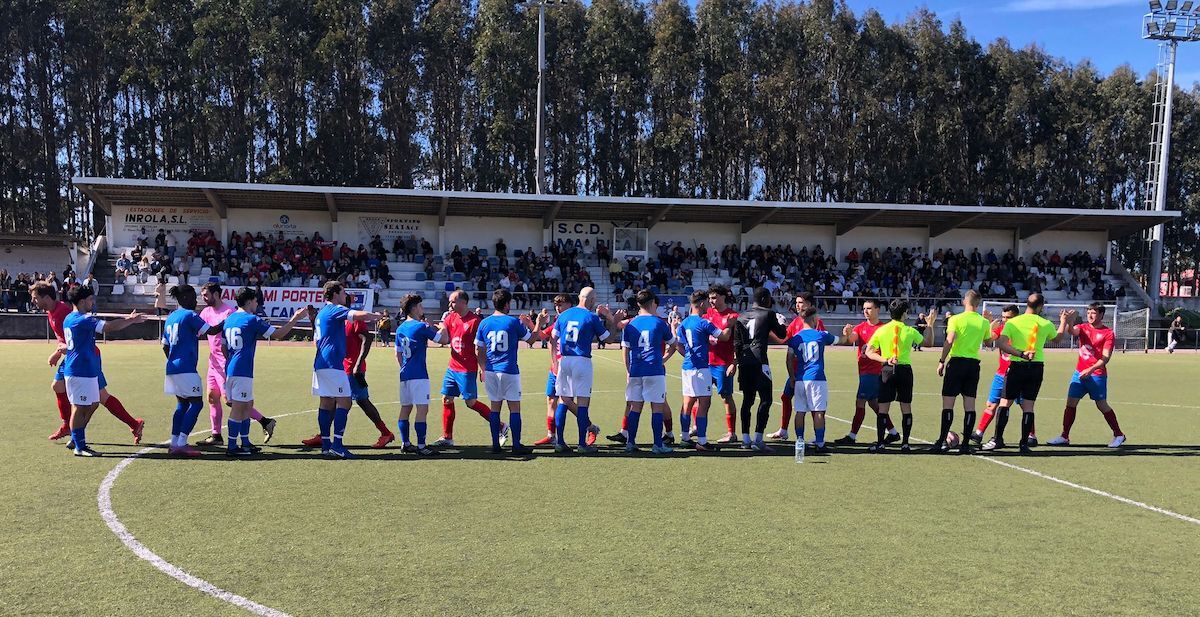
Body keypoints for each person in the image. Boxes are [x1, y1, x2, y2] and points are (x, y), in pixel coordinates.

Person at [33, 281, 145, 445]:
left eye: (35, 298)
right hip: (76, 357)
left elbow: (78, 333)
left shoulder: (65, 312)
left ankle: (131, 424)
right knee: (70, 392)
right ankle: (71, 430)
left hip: (84, 357)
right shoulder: (58, 312)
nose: (33, 301)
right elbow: (75, 335)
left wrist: (59, 351)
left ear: (47, 297)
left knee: (97, 398)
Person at [302, 294, 396, 450]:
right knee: (333, 400)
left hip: (352, 367)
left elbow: (367, 339)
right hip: (339, 366)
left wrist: (358, 364)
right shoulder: (335, 320)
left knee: (360, 400)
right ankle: (323, 436)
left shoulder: (352, 319)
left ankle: (385, 433)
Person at [60, 286, 147, 456]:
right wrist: (130, 319)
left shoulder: (70, 318)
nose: (93, 302)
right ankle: (79, 446)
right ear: (83, 301)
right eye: (91, 299)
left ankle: (78, 441)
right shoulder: (82, 319)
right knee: (79, 407)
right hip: (79, 370)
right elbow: (109, 327)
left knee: (92, 404)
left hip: (86, 370)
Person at [221, 288, 308, 456]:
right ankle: (232, 447)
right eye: (255, 301)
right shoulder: (252, 319)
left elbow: (223, 347)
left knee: (247, 405)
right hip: (242, 370)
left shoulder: (229, 319)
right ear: (248, 301)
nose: (257, 304)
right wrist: (295, 319)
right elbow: (277, 334)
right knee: (239, 408)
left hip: (232, 369)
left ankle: (245, 442)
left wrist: (233, 360)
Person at [984, 293, 1072, 454]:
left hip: (1017, 365)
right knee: (1028, 406)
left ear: (1027, 304)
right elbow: (1057, 339)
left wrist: (1020, 354)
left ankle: (998, 439)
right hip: (1036, 367)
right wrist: (1064, 322)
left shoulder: (1014, 322)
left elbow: (1001, 344)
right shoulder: (1045, 323)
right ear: (1041, 307)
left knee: (1005, 403)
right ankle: (1024, 444)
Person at [196, 283, 277, 447]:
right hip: (213, 362)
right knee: (212, 397)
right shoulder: (205, 312)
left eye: (206, 295)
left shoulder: (229, 313)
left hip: (227, 363)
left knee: (232, 402)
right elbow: (202, 332)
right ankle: (216, 434)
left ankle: (263, 422)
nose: (203, 298)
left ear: (217, 294)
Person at [433, 290, 508, 448]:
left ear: (463, 302)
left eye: (453, 301)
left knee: (471, 402)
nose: (450, 304)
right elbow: (445, 338)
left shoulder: (475, 321)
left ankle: (501, 426)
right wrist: (437, 329)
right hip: (452, 366)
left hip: (467, 369)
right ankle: (447, 437)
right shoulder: (449, 317)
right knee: (446, 398)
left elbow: (482, 346)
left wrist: (483, 367)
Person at [1046, 302, 1126, 448]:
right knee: (1070, 403)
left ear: (1101, 315)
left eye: (1094, 312)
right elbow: (1072, 332)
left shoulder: (1108, 333)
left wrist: (1090, 370)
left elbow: (1105, 358)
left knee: (1102, 405)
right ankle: (1064, 436)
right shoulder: (1083, 327)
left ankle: (1119, 434)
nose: (1090, 315)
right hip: (1079, 373)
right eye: (1088, 312)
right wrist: (1069, 320)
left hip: (1096, 375)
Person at [551, 287, 621, 453]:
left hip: (565, 360)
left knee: (563, 400)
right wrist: (613, 322)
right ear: (590, 300)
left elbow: (553, 338)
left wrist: (555, 361)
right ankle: (582, 444)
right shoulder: (591, 317)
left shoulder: (564, 315)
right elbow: (609, 340)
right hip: (582, 361)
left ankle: (560, 442)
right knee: (582, 403)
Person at [475, 288, 544, 454]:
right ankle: (516, 445)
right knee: (514, 408)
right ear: (507, 304)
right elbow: (532, 340)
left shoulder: (484, 323)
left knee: (495, 408)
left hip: (491, 370)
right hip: (509, 370)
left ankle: (495, 445)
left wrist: (482, 368)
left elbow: (478, 349)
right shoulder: (512, 322)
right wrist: (538, 323)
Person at [864, 301, 936, 452]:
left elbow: (869, 352)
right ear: (904, 313)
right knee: (906, 406)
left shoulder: (882, 330)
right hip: (904, 370)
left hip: (887, 369)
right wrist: (930, 325)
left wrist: (885, 359)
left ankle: (880, 443)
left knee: (883, 408)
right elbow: (929, 343)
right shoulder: (909, 330)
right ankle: (905, 444)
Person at [161, 285, 224, 457]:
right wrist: (230, 318)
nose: (197, 301)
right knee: (197, 403)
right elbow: (211, 330)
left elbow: (165, 346)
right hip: (186, 368)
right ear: (186, 298)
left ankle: (174, 442)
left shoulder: (171, 317)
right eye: (194, 297)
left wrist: (174, 359)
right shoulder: (190, 316)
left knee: (182, 404)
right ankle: (181, 443)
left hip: (172, 367)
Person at [534, 296, 601, 447]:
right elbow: (542, 337)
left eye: (561, 304)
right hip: (557, 368)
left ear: (570, 304)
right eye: (556, 305)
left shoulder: (572, 319)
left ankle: (589, 427)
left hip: (568, 366)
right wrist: (536, 324)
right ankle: (552, 435)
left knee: (566, 401)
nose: (558, 307)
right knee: (552, 400)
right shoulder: (559, 321)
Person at [786, 306, 850, 455]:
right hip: (817, 378)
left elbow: (789, 359)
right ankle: (820, 443)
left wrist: (792, 377)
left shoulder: (795, 339)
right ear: (814, 319)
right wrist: (846, 334)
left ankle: (800, 441)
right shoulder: (821, 335)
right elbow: (842, 341)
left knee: (800, 411)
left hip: (801, 378)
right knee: (819, 411)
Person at [932, 290, 990, 454]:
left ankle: (942, 440)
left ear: (965, 301)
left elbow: (949, 341)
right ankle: (965, 444)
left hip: (956, 363)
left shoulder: (955, 319)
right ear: (978, 303)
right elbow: (988, 341)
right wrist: (990, 324)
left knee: (948, 404)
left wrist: (942, 361)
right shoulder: (983, 322)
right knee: (969, 405)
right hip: (973, 365)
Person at [618, 290, 676, 454]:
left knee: (635, 407)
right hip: (654, 370)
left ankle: (631, 443)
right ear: (652, 303)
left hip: (636, 369)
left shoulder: (631, 324)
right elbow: (673, 344)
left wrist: (628, 369)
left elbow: (625, 348)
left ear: (638, 304)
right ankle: (657, 444)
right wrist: (663, 359)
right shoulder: (660, 323)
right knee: (657, 407)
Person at [834, 298, 898, 445]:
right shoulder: (861, 327)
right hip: (864, 371)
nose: (866, 311)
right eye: (864, 309)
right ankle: (893, 432)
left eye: (869, 308)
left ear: (877, 310)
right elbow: (851, 339)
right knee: (874, 404)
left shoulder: (884, 328)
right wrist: (847, 333)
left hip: (875, 371)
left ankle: (852, 436)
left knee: (860, 402)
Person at [733, 287, 789, 452]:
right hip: (760, 362)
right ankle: (758, 438)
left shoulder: (741, 316)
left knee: (747, 400)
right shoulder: (768, 314)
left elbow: (736, 343)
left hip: (744, 362)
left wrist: (737, 361)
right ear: (765, 298)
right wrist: (782, 322)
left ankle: (745, 439)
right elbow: (781, 335)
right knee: (766, 399)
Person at [395, 293, 449, 456]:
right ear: (413, 308)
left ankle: (405, 443)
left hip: (405, 374)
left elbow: (397, 354)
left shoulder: (400, 328)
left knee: (405, 408)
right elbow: (443, 340)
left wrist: (405, 367)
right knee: (422, 409)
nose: (422, 308)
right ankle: (421, 446)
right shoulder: (421, 326)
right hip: (419, 375)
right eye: (420, 305)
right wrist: (443, 325)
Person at [770, 293, 826, 441]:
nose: (797, 305)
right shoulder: (796, 321)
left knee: (814, 405)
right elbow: (784, 339)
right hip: (796, 370)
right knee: (786, 397)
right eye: (796, 302)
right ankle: (784, 430)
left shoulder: (816, 322)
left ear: (809, 304)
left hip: (808, 371)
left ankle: (816, 437)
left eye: (800, 302)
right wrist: (775, 328)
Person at [971, 305, 1028, 446]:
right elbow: (988, 342)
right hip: (1001, 374)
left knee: (1025, 405)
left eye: (1008, 317)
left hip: (1017, 373)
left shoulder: (1022, 331)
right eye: (1003, 317)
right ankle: (979, 433)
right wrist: (989, 325)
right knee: (991, 404)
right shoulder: (1001, 328)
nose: (1005, 320)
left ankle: (1031, 435)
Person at [704, 285, 740, 444]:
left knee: (726, 397)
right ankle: (696, 427)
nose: (711, 301)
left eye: (714, 297)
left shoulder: (733, 316)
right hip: (706, 363)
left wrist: (734, 362)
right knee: (701, 396)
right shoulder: (707, 314)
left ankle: (731, 433)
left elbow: (738, 343)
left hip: (723, 364)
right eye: (710, 298)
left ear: (723, 297)